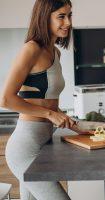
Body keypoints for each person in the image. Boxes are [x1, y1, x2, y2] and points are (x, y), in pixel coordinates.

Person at [0, 0, 78, 199]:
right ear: (44, 17)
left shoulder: (56, 52)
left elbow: (48, 100)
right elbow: (6, 99)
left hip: (44, 143)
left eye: (69, 15)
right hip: (25, 148)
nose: (68, 22)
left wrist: (65, 118)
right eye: (61, 16)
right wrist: (50, 114)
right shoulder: (31, 49)